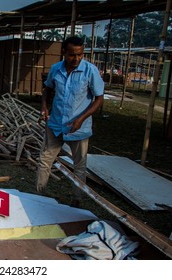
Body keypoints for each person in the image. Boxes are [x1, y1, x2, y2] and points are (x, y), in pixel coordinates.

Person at [37, 36, 104, 207]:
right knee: (45, 160)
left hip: (78, 127)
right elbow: (47, 89)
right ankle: (39, 196)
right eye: (72, 55)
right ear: (64, 52)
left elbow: (99, 99)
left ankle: (77, 199)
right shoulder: (55, 69)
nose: (76, 59)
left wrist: (81, 118)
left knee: (79, 165)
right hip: (56, 124)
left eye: (80, 55)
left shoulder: (90, 71)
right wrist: (44, 107)